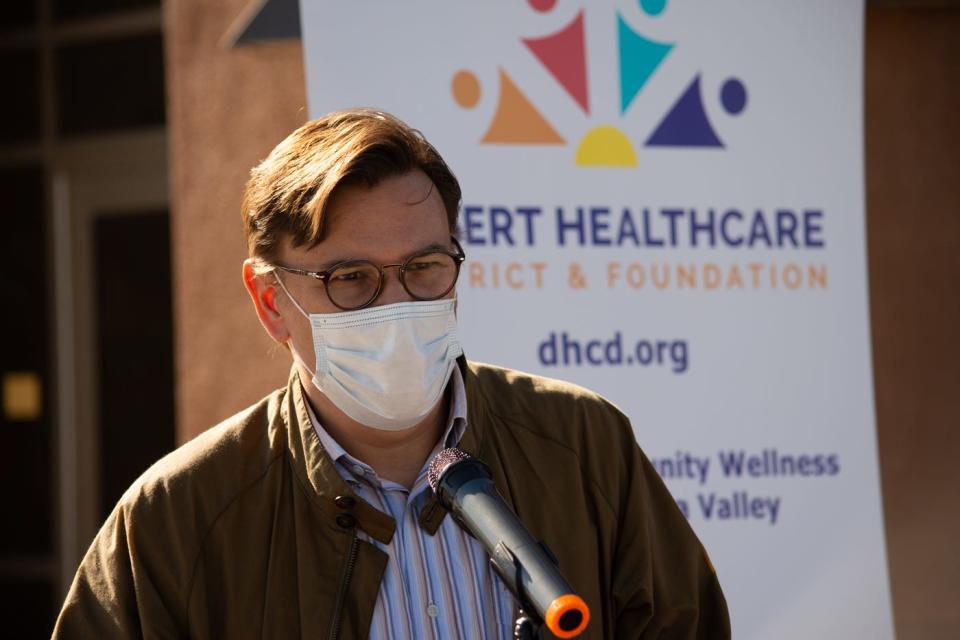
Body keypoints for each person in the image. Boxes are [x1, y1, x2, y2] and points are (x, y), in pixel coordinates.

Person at [53, 108, 729, 639]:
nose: (399, 305)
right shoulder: (177, 518)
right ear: (271, 302)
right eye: (351, 278)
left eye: (424, 268)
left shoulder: (585, 445)